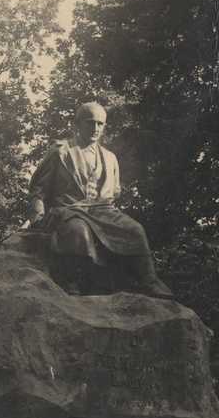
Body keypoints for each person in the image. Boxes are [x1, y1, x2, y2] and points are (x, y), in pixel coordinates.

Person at [29, 102, 174, 298]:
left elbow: (114, 192)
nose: (96, 128)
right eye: (90, 123)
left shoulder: (110, 157)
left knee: (135, 229)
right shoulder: (61, 151)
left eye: (100, 124)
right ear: (76, 124)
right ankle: (74, 282)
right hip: (70, 209)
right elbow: (39, 189)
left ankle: (149, 282)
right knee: (79, 231)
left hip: (103, 210)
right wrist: (37, 215)